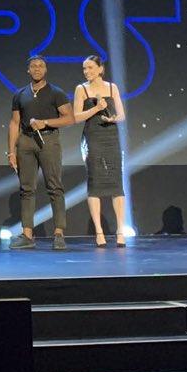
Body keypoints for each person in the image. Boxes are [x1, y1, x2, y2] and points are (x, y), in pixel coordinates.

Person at [8, 55, 74, 250]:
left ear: (46, 70)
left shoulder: (56, 93)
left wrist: (45, 122)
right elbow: (14, 123)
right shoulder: (20, 94)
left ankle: (59, 234)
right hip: (26, 142)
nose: (37, 69)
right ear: (28, 70)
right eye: (33, 66)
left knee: (54, 186)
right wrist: (11, 152)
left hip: (48, 140)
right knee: (27, 188)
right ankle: (27, 235)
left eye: (41, 66)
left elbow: (69, 118)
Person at [72, 55, 128, 247]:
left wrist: (113, 118)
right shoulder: (81, 89)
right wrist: (96, 108)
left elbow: (121, 115)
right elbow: (77, 117)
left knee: (116, 183)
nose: (86, 71)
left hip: (111, 137)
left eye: (90, 67)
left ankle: (120, 231)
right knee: (95, 182)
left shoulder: (112, 87)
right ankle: (99, 232)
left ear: (100, 69)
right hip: (92, 137)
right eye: (84, 68)